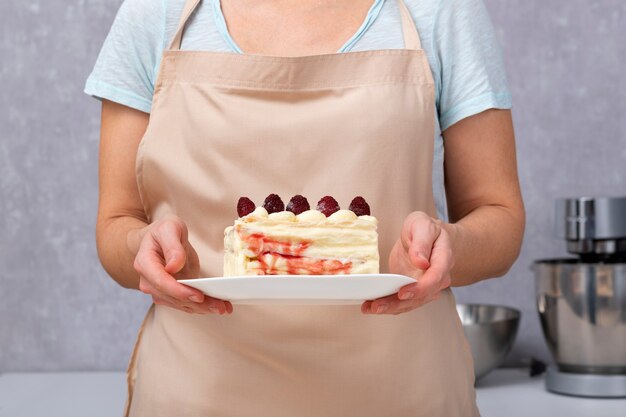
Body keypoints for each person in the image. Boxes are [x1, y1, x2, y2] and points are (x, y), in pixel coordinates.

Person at [85, 0, 524, 415]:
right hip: (196, 391)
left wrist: (450, 245)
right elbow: (115, 224)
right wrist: (141, 247)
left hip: (403, 390)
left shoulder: (440, 10)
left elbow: (497, 215)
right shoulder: (154, 13)